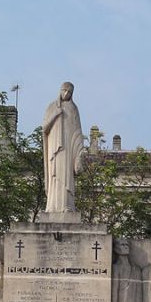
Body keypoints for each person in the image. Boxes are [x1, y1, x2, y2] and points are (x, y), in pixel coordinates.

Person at [42, 82, 84, 212]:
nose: (66, 94)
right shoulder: (52, 107)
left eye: (69, 92)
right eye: (64, 90)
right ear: (60, 90)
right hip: (54, 147)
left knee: (66, 175)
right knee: (54, 174)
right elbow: (44, 128)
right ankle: (52, 206)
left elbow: (78, 132)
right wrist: (55, 115)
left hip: (67, 148)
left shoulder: (73, 109)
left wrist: (78, 153)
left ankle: (67, 205)